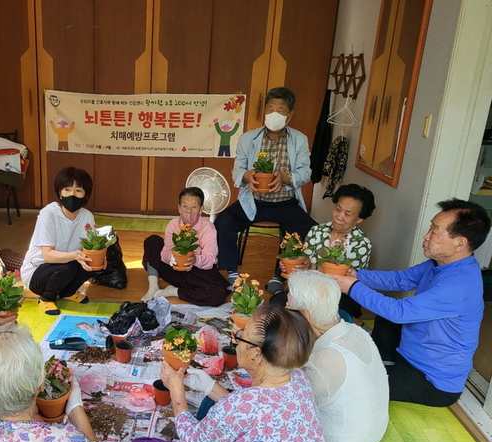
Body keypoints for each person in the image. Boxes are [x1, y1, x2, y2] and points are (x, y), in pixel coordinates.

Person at [127, 305, 325, 442]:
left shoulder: (239, 406)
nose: (236, 340)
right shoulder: (299, 379)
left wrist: (176, 390)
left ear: (256, 354)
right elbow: (252, 415)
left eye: (242, 337)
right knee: (212, 403)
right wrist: (211, 386)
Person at [332, 199, 492, 407]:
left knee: (349, 385)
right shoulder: (439, 264)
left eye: (435, 231)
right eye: (430, 227)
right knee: (385, 314)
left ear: (460, 243)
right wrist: (356, 275)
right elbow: (400, 279)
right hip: (408, 352)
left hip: (430, 380)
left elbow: (400, 312)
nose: (426, 236)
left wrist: (352, 286)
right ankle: (384, 365)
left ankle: (383, 369)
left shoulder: (459, 284)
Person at [215, 87, 316, 284]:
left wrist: (286, 178)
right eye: (270, 109)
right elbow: (237, 169)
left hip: (285, 203)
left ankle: (279, 277)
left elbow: (306, 172)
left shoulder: (299, 140)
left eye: (280, 110)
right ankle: (232, 273)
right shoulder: (248, 138)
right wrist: (246, 175)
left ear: (290, 114)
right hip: (253, 201)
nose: (274, 114)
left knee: (311, 230)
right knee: (223, 222)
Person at [287, 270, 388, 442]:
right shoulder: (357, 331)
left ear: (304, 315)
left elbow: (294, 410)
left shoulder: (324, 361)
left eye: (288, 304)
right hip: (373, 432)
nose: (285, 307)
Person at [272, 183, 376, 319]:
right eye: (338, 209)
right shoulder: (317, 231)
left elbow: (347, 282)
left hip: (339, 297)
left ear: (359, 219)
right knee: (277, 303)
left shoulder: (361, 244)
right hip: (309, 289)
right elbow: (305, 262)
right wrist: (293, 266)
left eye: (347, 214)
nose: (339, 216)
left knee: (320, 313)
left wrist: (314, 267)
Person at [20, 167, 99, 316]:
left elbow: (90, 248)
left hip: (66, 265)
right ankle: (46, 298)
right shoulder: (48, 214)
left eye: (78, 190)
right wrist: (75, 256)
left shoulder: (87, 216)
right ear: (60, 193)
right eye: (67, 190)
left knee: (93, 263)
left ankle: (67, 293)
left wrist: (99, 256)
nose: (72, 195)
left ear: (85, 195)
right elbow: (48, 256)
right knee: (67, 266)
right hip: (38, 273)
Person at [141, 186, 229, 306]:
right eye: (185, 206)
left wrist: (195, 260)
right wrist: (171, 257)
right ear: (179, 208)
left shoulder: (208, 228)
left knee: (217, 294)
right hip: (174, 269)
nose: (189, 211)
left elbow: (210, 259)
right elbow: (164, 253)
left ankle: (175, 291)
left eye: (194, 207)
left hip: (196, 271)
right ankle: (153, 287)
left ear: (201, 209)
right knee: (153, 241)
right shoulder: (173, 224)